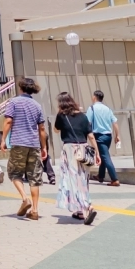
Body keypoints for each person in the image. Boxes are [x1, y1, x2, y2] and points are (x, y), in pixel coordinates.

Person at [0, 78, 47, 220]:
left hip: (19, 143)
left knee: (14, 173)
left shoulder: (13, 102)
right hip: (34, 144)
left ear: (20, 88)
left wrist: (3, 139)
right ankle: (35, 210)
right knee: (34, 177)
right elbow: (42, 128)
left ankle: (25, 198)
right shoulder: (37, 105)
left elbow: (8, 120)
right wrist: (43, 146)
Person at [54, 91, 99, 225]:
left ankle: (87, 207)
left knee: (73, 181)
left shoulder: (61, 116)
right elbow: (90, 136)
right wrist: (97, 152)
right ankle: (80, 211)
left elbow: (56, 130)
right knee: (83, 180)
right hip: (84, 149)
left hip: (70, 150)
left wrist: (59, 113)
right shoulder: (83, 116)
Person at [87, 90, 120, 186]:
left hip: (98, 136)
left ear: (94, 97)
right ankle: (100, 176)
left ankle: (114, 179)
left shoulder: (92, 108)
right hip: (108, 136)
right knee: (103, 155)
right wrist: (117, 135)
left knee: (105, 157)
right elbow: (115, 122)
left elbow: (87, 123)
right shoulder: (107, 109)